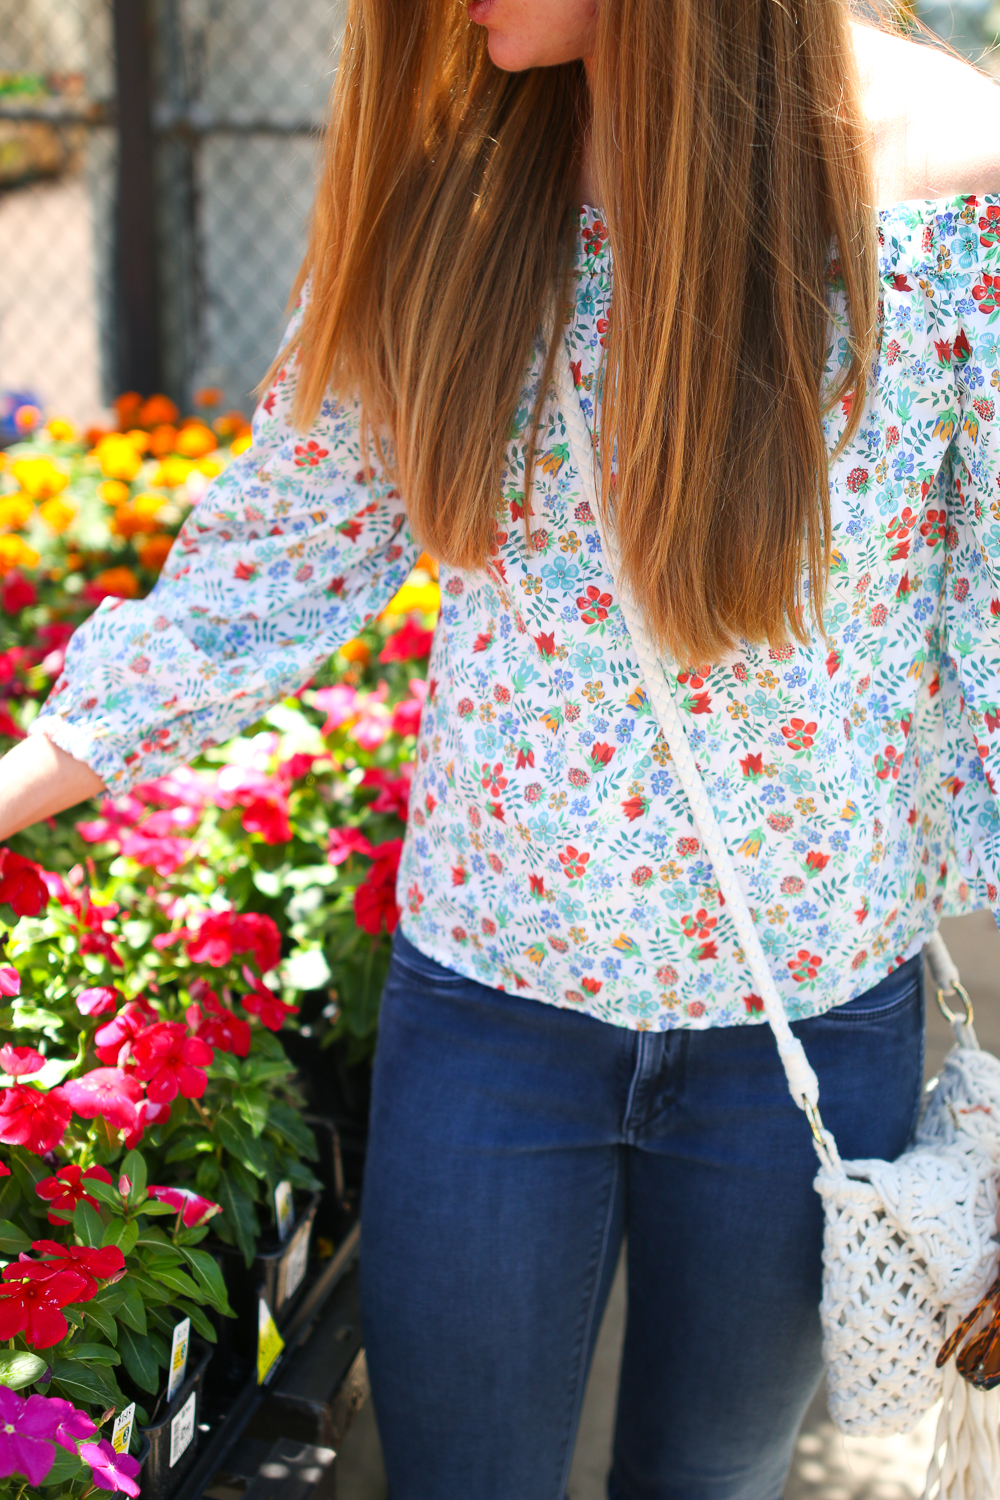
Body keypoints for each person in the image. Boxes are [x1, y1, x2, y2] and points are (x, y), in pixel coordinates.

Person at [5, 0, 1000, 1495]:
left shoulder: (958, 184)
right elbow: (268, 565)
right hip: (492, 1014)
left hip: (801, 1038)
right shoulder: (456, 184)